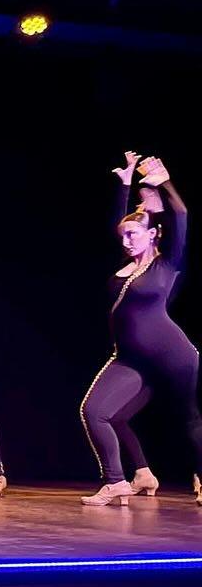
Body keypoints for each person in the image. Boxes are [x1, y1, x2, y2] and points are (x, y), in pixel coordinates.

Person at [79, 155, 202, 506]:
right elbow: (120, 225)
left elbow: (180, 216)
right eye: (124, 236)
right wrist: (124, 183)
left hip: (173, 356)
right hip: (130, 359)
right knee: (99, 412)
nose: (126, 241)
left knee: (189, 417)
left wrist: (163, 181)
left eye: (134, 235)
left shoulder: (167, 264)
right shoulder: (125, 265)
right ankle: (122, 479)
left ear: (152, 235)